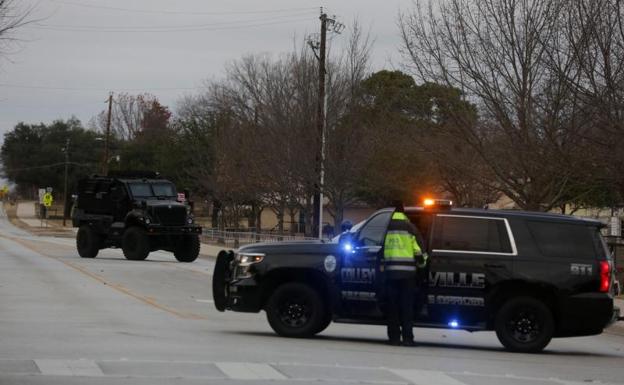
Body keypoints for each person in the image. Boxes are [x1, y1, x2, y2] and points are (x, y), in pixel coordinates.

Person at [382, 200, 427, 346]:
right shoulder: (410, 227)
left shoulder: (385, 227)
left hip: (390, 274)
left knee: (392, 307)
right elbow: (419, 250)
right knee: (407, 307)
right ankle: (408, 339)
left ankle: (394, 338)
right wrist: (422, 265)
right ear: (403, 211)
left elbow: (378, 249)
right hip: (408, 276)